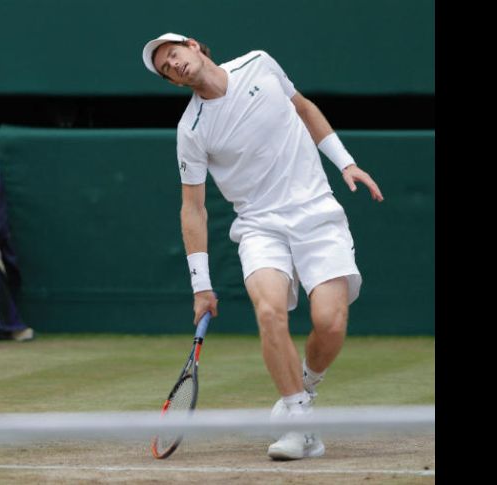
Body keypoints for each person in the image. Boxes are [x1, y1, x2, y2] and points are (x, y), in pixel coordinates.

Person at [142, 33, 384, 460]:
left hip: (316, 213)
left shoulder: (259, 62)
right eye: (166, 69)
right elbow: (193, 210)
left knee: (330, 321)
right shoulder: (191, 130)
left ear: (194, 46)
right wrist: (201, 285)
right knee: (269, 310)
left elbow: (304, 108)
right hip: (259, 226)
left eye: (173, 55)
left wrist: (345, 161)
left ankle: (304, 386)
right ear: (173, 82)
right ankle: (297, 422)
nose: (173, 66)